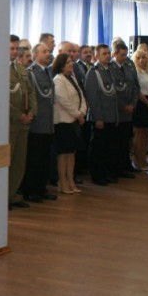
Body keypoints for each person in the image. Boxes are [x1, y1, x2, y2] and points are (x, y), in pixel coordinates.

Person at [23, 43, 57, 202]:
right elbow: (30, 98)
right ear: (35, 55)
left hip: (48, 123)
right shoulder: (31, 72)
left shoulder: (48, 72)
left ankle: (41, 188)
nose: (48, 54)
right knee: (34, 160)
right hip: (36, 124)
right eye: (44, 52)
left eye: (49, 52)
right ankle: (31, 190)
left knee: (44, 159)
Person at [84, 44, 119, 186]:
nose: (108, 55)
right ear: (96, 56)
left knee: (108, 147)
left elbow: (114, 96)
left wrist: (116, 117)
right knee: (98, 148)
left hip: (111, 116)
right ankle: (97, 175)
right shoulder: (93, 72)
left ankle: (106, 172)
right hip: (101, 117)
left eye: (109, 53)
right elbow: (93, 98)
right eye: (104, 53)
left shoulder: (109, 71)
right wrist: (98, 117)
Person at [51, 53, 86, 194]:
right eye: (67, 63)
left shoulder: (72, 78)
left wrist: (82, 111)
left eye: (71, 62)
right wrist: (77, 114)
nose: (71, 64)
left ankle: (70, 180)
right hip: (63, 121)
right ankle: (63, 182)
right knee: (63, 153)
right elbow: (63, 100)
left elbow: (81, 96)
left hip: (74, 121)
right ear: (61, 65)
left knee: (72, 153)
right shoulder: (58, 80)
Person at [8, 36, 36, 209]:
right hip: (9, 123)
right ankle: (2, 196)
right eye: (11, 48)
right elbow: (1, 98)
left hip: (23, 124)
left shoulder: (21, 69)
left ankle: (12, 194)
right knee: (7, 161)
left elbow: (31, 92)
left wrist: (32, 112)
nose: (14, 51)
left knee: (19, 162)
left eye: (16, 48)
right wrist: (18, 114)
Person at [109, 41, 139, 178]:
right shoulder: (110, 67)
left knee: (127, 139)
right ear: (114, 54)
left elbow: (135, 86)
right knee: (116, 141)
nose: (125, 57)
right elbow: (112, 91)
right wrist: (123, 106)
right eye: (122, 55)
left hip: (129, 110)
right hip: (117, 111)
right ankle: (117, 168)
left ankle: (126, 164)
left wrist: (132, 104)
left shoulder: (129, 65)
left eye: (126, 54)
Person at [132, 50, 148, 171]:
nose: (141, 60)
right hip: (141, 104)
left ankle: (143, 158)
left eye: (144, 58)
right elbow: (138, 92)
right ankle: (138, 160)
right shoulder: (135, 72)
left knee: (147, 133)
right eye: (139, 58)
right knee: (140, 134)